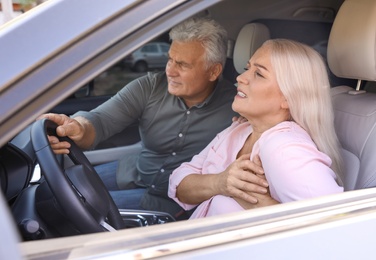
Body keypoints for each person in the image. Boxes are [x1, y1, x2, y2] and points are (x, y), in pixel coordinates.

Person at [39, 17, 269, 220]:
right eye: (170, 59)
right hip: (135, 171)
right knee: (51, 189)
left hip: (172, 200)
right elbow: (100, 119)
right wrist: (79, 127)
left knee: (67, 208)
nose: (170, 70)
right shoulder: (150, 86)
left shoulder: (239, 108)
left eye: (182, 64)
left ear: (213, 71)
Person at [168, 39, 344, 219]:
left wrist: (253, 200)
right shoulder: (239, 130)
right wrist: (220, 183)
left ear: (289, 98)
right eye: (247, 69)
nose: (240, 78)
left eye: (259, 74)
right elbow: (178, 184)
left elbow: (335, 224)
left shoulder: (285, 148)